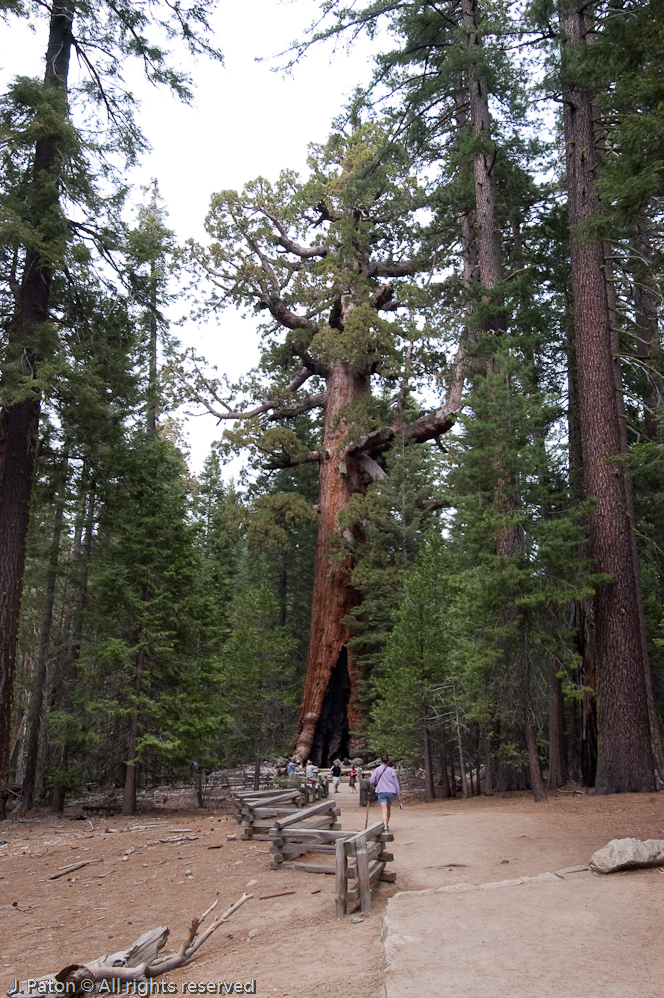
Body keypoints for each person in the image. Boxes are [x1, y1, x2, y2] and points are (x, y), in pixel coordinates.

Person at [370, 754, 401, 832]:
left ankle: (385, 826)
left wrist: (372, 775)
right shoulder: (391, 770)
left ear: (381, 761)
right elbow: (396, 783)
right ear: (388, 761)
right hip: (391, 791)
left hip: (381, 791)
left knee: (384, 809)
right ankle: (386, 824)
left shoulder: (377, 770)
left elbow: (372, 781)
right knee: (388, 808)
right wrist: (398, 794)